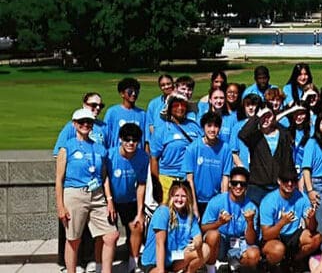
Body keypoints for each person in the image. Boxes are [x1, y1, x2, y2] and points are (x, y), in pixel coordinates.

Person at [55, 108, 120, 273]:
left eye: (89, 122)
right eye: (82, 122)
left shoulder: (99, 148)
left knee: (111, 235)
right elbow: (59, 179)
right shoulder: (67, 147)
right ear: (74, 124)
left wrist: (109, 200)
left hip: (97, 194)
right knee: (74, 239)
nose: (85, 125)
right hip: (75, 193)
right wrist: (60, 206)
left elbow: (104, 176)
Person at [140, 181, 209, 273]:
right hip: (155, 260)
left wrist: (197, 243)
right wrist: (161, 270)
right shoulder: (163, 212)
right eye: (176, 196)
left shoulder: (190, 216)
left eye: (183, 196)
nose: (179, 199)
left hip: (173, 256)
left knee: (205, 249)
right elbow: (159, 244)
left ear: (188, 198)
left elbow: (198, 238)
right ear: (171, 196)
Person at [105, 123, 148, 272]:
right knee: (109, 235)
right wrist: (109, 201)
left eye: (134, 140)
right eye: (127, 139)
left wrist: (140, 212)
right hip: (111, 200)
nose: (131, 143)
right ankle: (102, 266)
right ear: (120, 139)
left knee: (137, 227)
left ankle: (133, 264)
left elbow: (141, 185)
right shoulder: (110, 155)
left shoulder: (143, 157)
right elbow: (105, 180)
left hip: (131, 200)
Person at [260, 168, 322, 270]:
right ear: (279, 181)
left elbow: (312, 228)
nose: (290, 184)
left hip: (293, 234)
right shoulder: (268, 201)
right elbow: (266, 235)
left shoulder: (302, 197)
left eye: (293, 180)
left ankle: (292, 261)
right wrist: (282, 223)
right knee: (278, 250)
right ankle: (270, 266)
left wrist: (312, 218)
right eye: (286, 180)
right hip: (275, 237)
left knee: (316, 238)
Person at [200, 167, 260, 273]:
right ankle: (211, 270)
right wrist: (220, 223)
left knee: (254, 255)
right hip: (221, 242)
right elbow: (204, 227)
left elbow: (250, 241)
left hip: (240, 243)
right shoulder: (217, 201)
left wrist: (250, 222)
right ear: (229, 184)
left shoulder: (252, 207)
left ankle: (235, 265)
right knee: (213, 235)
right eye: (235, 183)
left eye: (242, 184)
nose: (238, 186)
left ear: (246, 187)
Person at [237, 105, 297, 205]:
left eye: (268, 116)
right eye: (262, 116)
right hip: (257, 187)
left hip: (278, 186)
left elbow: (288, 160)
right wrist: (258, 116)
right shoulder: (254, 136)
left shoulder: (283, 134)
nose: (265, 119)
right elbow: (242, 134)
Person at [150, 94, 202, 204]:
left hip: (190, 178)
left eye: (183, 104)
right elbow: (154, 158)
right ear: (169, 108)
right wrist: (156, 184)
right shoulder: (162, 129)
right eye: (175, 105)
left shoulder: (194, 126)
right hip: (168, 178)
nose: (179, 108)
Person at [182, 112, 233, 217]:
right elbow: (189, 180)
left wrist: (223, 205)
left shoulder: (225, 149)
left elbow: (225, 179)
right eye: (209, 126)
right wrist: (194, 206)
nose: (212, 130)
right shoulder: (192, 148)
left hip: (215, 200)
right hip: (197, 199)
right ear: (203, 127)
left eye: (216, 126)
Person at [104, 77, 146, 148]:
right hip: (118, 154)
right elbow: (106, 135)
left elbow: (146, 139)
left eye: (136, 91)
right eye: (130, 91)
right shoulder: (112, 112)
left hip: (137, 155)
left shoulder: (142, 114)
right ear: (122, 94)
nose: (133, 94)